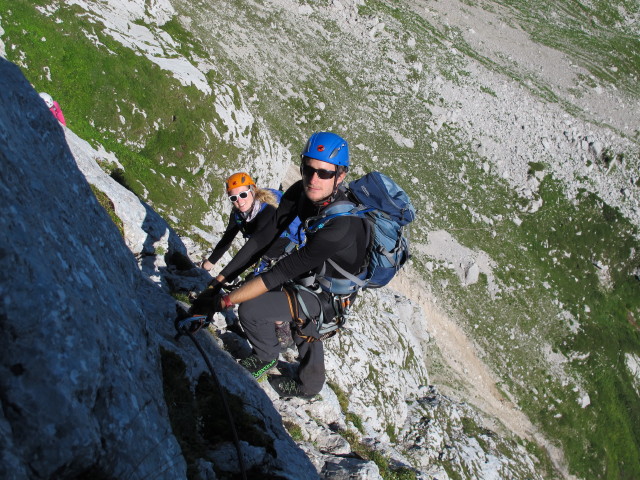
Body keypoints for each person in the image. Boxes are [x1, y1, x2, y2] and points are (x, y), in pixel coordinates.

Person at [191, 132, 369, 399]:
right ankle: (308, 382)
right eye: (308, 169)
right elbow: (263, 239)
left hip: (334, 291)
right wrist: (218, 282)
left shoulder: (341, 225)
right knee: (301, 315)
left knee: (254, 309)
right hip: (318, 271)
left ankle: (270, 361)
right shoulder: (301, 192)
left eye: (324, 173)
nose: (313, 179)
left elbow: (279, 273)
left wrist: (222, 302)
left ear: (340, 176)